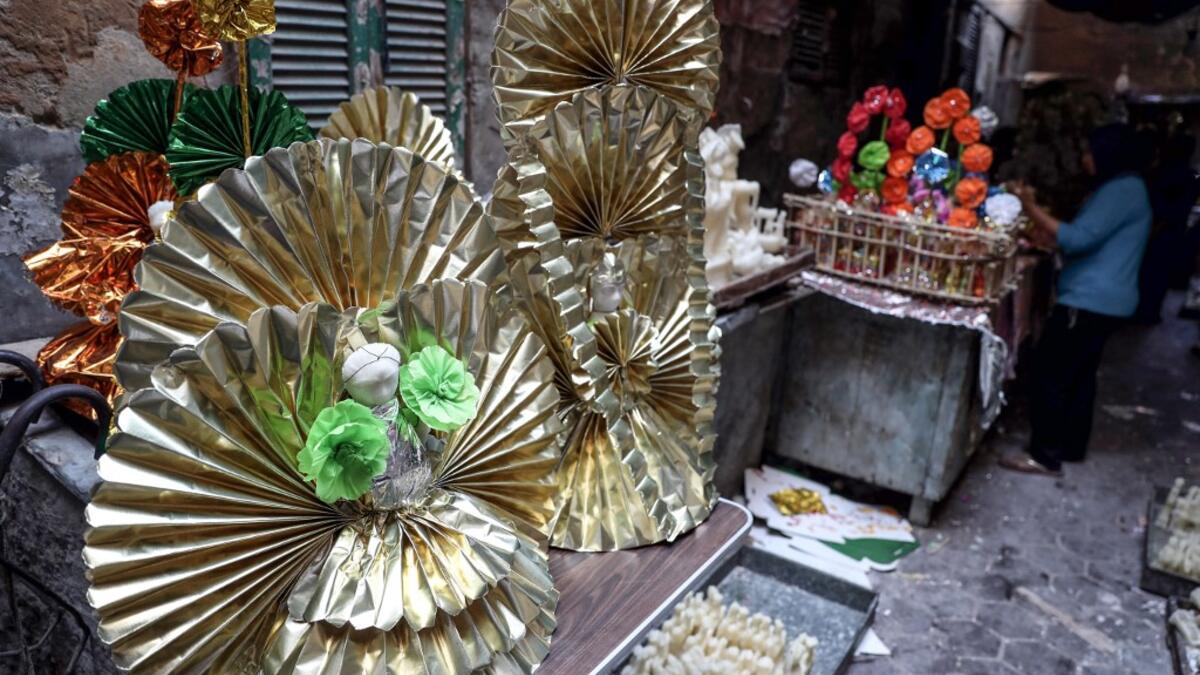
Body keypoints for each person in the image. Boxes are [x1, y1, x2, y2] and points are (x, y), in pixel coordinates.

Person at [1000, 124, 1152, 476]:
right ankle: (1069, 445)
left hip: (1090, 300)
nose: (1084, 159)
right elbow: (1091, 240)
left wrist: (1030, 207)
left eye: (1089, 152)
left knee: (1052, 373)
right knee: (1080, 376)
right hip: (1106, 300)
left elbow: (1078, 239)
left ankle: (1044, 454)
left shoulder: (1122, 190)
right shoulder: (1127, 189)